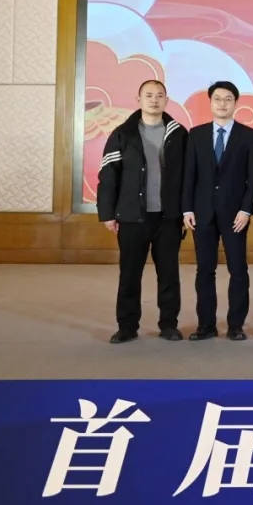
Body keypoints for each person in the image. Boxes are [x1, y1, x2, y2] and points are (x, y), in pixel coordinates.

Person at [96, 79, 188, 344]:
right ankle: (126, 326)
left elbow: (188, 176)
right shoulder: (123, 134)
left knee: (169, 274)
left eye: (159, 95)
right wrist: (107, 213)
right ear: (138, 100)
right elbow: (108, 175)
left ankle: (169, 324)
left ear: (166, 100)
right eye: (148, 95)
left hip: (169, 218)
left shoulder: (179, 134)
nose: (154, 100)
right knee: (130, 274)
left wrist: (186, 211)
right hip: (132, 216)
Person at [182, 81, 253, 341]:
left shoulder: (249, 136)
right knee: (205, 270)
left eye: (228, 99)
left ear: (236, 103)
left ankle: (236, 325)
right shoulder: (196, 134)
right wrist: (187, 209)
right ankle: (206, 325)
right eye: (217, 99)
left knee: (238, 270)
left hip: (235, 215)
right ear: (210, 102)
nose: (222, 103)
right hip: (202, 213)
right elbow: (189, 175)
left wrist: (246, 210)